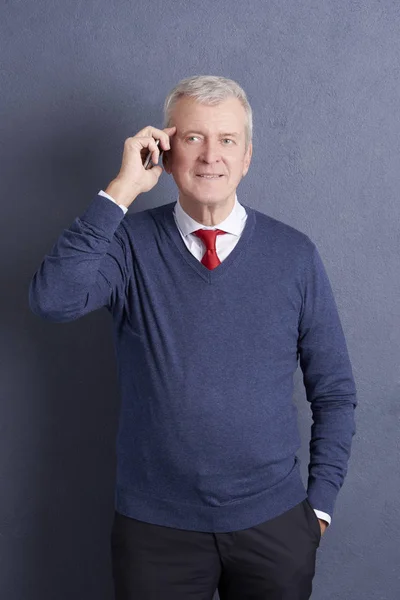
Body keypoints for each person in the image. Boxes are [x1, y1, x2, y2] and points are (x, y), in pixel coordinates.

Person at [29, 75, 357, 600]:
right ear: (164, 148)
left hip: (274, 526)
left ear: (247, 157)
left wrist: (317, 508)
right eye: (193, 138)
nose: (211, 156)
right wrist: (121, 191)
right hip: (155, 532)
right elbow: (53, 300)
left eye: (227, 140)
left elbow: (335, 392)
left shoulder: (294, 255)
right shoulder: (128, 245)